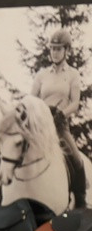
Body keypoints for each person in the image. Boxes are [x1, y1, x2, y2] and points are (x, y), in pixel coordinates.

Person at [31, 28, 85, 208]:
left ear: (67, 51)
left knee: (76, 160)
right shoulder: (42, 74)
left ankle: (81, 201)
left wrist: (61, 113)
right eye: (52, 48)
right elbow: (31, 98)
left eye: (58, 48)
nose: (54, 52)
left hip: (60, 125)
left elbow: (76, 103)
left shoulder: (72, 75)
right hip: (41, 125)